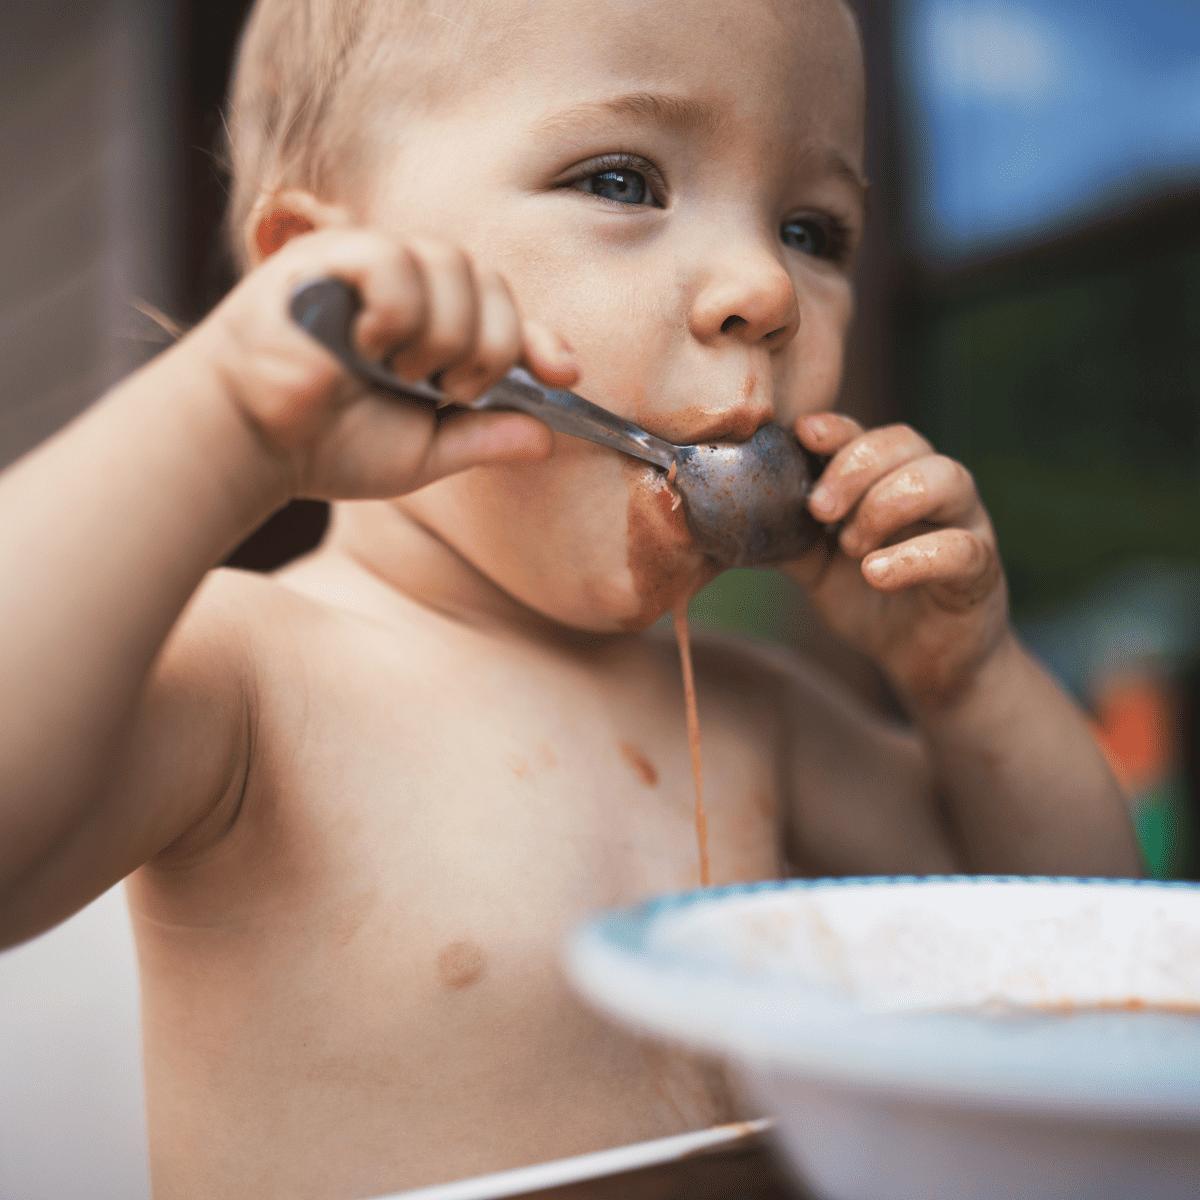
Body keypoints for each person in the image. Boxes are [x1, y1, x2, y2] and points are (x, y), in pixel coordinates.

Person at [0, 0, 1142, 1195]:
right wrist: (227, 419)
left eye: (814, 227)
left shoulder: (764, 720)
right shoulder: (255, 673)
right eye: (622, 179)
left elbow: (1075, 953)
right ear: (320, 285)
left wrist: (968, 684)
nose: (766, 287)